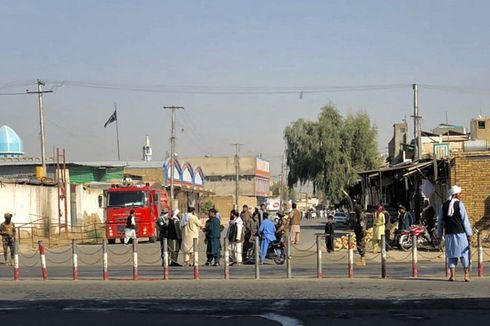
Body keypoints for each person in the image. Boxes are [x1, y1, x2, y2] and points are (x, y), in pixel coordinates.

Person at [437, 185, 473, 282]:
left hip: (449, 234)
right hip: (460, 233)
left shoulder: (443, 205)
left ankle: (452, 275)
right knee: (464, 254)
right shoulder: (460, 204)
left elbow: (440, 221)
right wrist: (469, 233)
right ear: (456, 194)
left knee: (451, 254)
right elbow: (465, 220)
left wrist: (439, 234)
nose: (460, 195)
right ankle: (466, 275)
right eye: (459, 194)